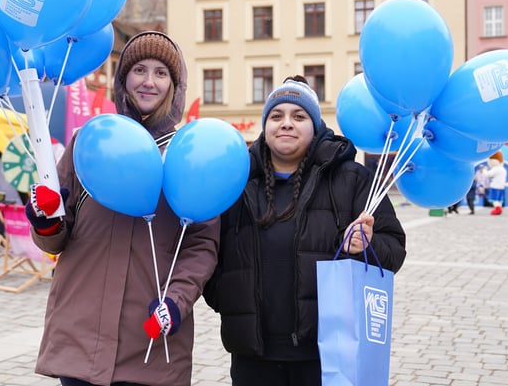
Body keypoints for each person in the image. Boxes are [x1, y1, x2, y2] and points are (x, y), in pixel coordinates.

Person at [24, 31, 220, 386]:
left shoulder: (187, 153)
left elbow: (202, 245)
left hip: (150, 338)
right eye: (139, 70)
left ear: (174, 85)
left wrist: (175, 303)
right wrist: (46, 221)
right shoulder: (90, 140)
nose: (149, 81)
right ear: (123, 78)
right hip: (80, 332)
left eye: (161, 73)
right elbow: (56, 238)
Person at [202, 76, 407, 386]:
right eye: (276, 116)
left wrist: (365, 245)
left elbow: (394, 249)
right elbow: (208, 252)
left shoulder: (350, 179)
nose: (286, 124)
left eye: (298, 116)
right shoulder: (237, 180)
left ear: (315, 126)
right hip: (252, 356)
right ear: (265, 125)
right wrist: (229, 299)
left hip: (326, 355)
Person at [486, 150, 507, 216]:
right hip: (501, 187)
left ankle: (498, 209)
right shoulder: (503, 169)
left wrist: (484, 170)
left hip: (495, 186)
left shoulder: (496, 168)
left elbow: (488, 174)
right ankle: (499, 209)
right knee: (499, 199)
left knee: (494, 199)